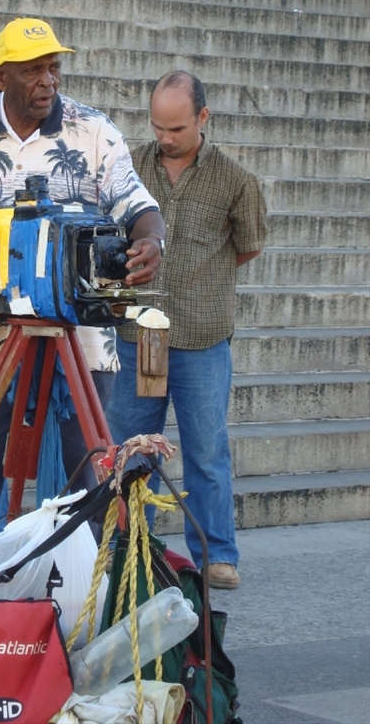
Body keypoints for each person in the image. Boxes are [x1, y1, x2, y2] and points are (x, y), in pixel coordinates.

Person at [0, 17, 166, 570]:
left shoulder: (93, 130)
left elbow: (137, 203)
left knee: (90, 461)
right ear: (0, 77)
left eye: (53, 68)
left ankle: (92, 592)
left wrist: (151, 240)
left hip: (83, 334)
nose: (48, 81)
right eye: (32, 71)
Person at [105, 70, 267, 590]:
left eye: (176, 128)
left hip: (201, 340)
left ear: (203, 118)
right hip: (141, 339)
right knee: (132, 450)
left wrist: (200, 281)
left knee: (206, 452)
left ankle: (217, 553)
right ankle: (130, 546)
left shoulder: (236, 181)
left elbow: (248, 246)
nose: (166, 138)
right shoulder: (127, 167)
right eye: (158, 127)